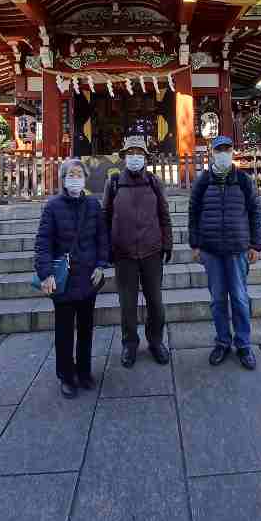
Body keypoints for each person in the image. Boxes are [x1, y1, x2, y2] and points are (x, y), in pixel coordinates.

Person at [34, 158, 109, 399]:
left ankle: (84, 371)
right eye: (71, 174)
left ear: (85, 178)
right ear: (63, 178)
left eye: (79, 174)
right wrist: (45, 274)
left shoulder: (93, 205)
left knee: (86, 328)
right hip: (64, 279)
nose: (75, 178)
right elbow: (43, 243)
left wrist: (101, 264)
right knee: (65, 331)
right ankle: (66, 375)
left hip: (88, 276)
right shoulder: (52, 207)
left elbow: (102, 238)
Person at [188, 135, 261, 369]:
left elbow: (255, 212)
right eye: (219, 149)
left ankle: (243, 344)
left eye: (227, 149)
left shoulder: (243, 179)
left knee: (240, 299)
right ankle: (222, 341)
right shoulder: (202, 181)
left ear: (232, 152)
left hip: (237, 248)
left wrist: (256, 244)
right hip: (211, 249)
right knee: (218, 300)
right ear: (212, 152)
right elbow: (193, 212)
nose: (223, 153)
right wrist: (195, 244)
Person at [103, 135, 173, 368]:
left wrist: (168, 243)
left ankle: (155, 342)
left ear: (145, 158)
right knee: (127, 304)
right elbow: (105, 217)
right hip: (123, 253)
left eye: (139, 154)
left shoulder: (154, 182)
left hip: (152, 251)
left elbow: (164, 214)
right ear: (124, 157)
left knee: (156, 302)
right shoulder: (113, 183)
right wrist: (106, 249)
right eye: (130, 153)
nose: (135, 158)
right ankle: (129, 344)